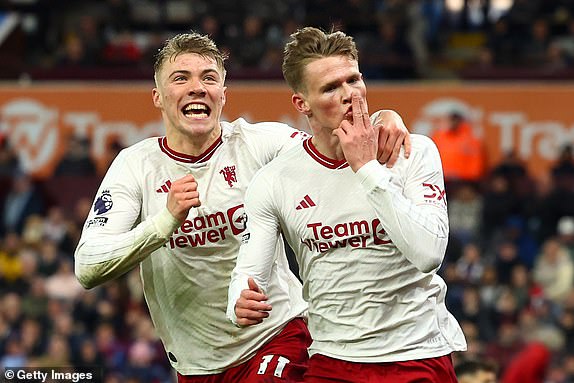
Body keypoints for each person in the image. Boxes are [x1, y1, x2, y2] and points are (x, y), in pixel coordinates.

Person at [74, 31, 411, 382]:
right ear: (158, 97)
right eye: (181, 78)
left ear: (223, 94)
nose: (197, 87)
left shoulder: (262, 144)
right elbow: (88, 267)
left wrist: (384, 116)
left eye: (209, 78)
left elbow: (333, 146)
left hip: (278, 335)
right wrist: (164, 222)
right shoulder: (136, 166)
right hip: (196, 365)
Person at [227, 27, 467, 383]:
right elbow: (249, 272)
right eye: (330, 88)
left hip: (417, 355)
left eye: (353, 79)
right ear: (301, 103)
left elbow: (429, 253)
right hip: (332, 359)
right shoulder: (275, 179)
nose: (350, 95)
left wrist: (367, 168)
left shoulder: (412, 151)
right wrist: (238, 301)